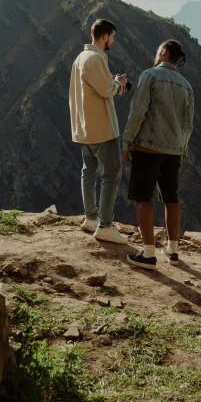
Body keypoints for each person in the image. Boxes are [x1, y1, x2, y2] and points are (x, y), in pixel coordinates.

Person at [123, 40, 194, 271]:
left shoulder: (150, 75)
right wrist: (182, 151)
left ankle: (148, 253)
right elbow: (188, 124)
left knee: (144, 198)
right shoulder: (186, 85)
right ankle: (172, 251)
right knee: (171, 199)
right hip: (173, 150)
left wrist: (128, 140)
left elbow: (138, 110)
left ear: (163, 52)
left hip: (149, 147)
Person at [69, 18, 129, 244]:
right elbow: (106, 89)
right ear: (104, 36)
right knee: (112, 174)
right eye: (112, 37)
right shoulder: (96, 59)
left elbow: (94, 88)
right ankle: (105, 224)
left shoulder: (80, 58)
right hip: (101, 128)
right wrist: (119, 84)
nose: (112, 41)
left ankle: (90, 217)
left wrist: (112, 84)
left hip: (85, 126)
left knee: (89, 171)